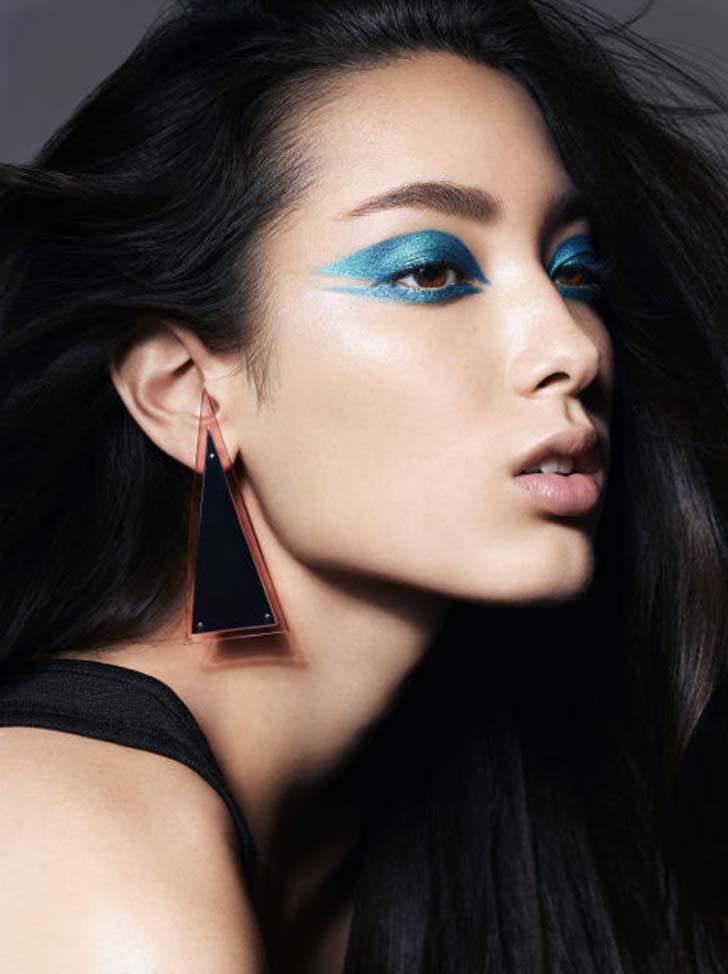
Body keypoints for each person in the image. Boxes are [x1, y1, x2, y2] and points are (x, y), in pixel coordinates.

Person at [1, 0, 728, 970]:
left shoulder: (456, 821)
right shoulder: (76, 848)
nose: (570, 347)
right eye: (428, 272)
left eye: (572, 269)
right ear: (187, 393)